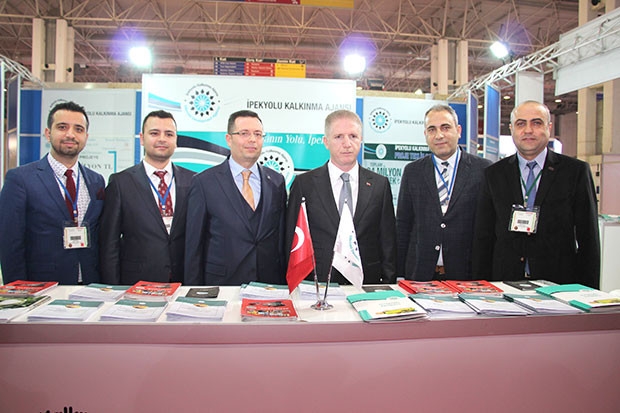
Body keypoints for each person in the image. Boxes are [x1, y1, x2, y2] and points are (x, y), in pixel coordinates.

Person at [472, 100, 600, 288]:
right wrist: (480, 288)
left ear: (549, 127)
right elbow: (484, 237)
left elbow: (588, 238)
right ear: (512, 129)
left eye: (536, 123)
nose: (528, 130)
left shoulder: (575, 172)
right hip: (504, 283)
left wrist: (588, 292)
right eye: (521, 124)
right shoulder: (494, 174)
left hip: (558, 284)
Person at [285, 109, 396, 285]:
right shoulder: (304, 184)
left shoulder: (379, 185)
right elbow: (291, 238)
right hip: (317, 284)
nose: (347, 143)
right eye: (338, 137)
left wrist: (388, 283)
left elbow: (387, 241)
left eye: (353, 136)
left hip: (366, 283)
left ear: (361, 140)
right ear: (326, 142)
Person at [0, 101, 105, 285]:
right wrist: (18, 291)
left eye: (78, 129)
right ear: (48, 133)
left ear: (86, 137)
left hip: (90, 284)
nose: (70, 134)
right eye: (62, 127)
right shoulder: (20, 179)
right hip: (42, 286)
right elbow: (10, 242)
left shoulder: (96, 180)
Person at [184, 110, 287, 286]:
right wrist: (193, 291)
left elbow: (281, 239)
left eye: (258, 134)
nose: (252, 139)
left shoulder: (276, 181)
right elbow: (194, 245)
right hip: (221, 284)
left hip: (268, 286)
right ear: (229, 139)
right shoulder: (204, 182)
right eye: (244, 133)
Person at [397, 104, 492, 281]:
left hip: (467, 275)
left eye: (445, 127)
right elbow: (403, 225)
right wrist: (399, 273)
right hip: (420, 274)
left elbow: (489, 228)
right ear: (425, 134)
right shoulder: (413, 171)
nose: (439, 135)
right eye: (432, 129)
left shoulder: (483, 170)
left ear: (458, 130)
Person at [99, 110, 194, 285]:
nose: (162, 139)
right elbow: (109, 243)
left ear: (176, 140)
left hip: (183, 281)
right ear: (142, 138)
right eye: (154, 133)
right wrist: (111, 288)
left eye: (169, 134)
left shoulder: (193, 180)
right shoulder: (121, 183)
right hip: (137, 282)